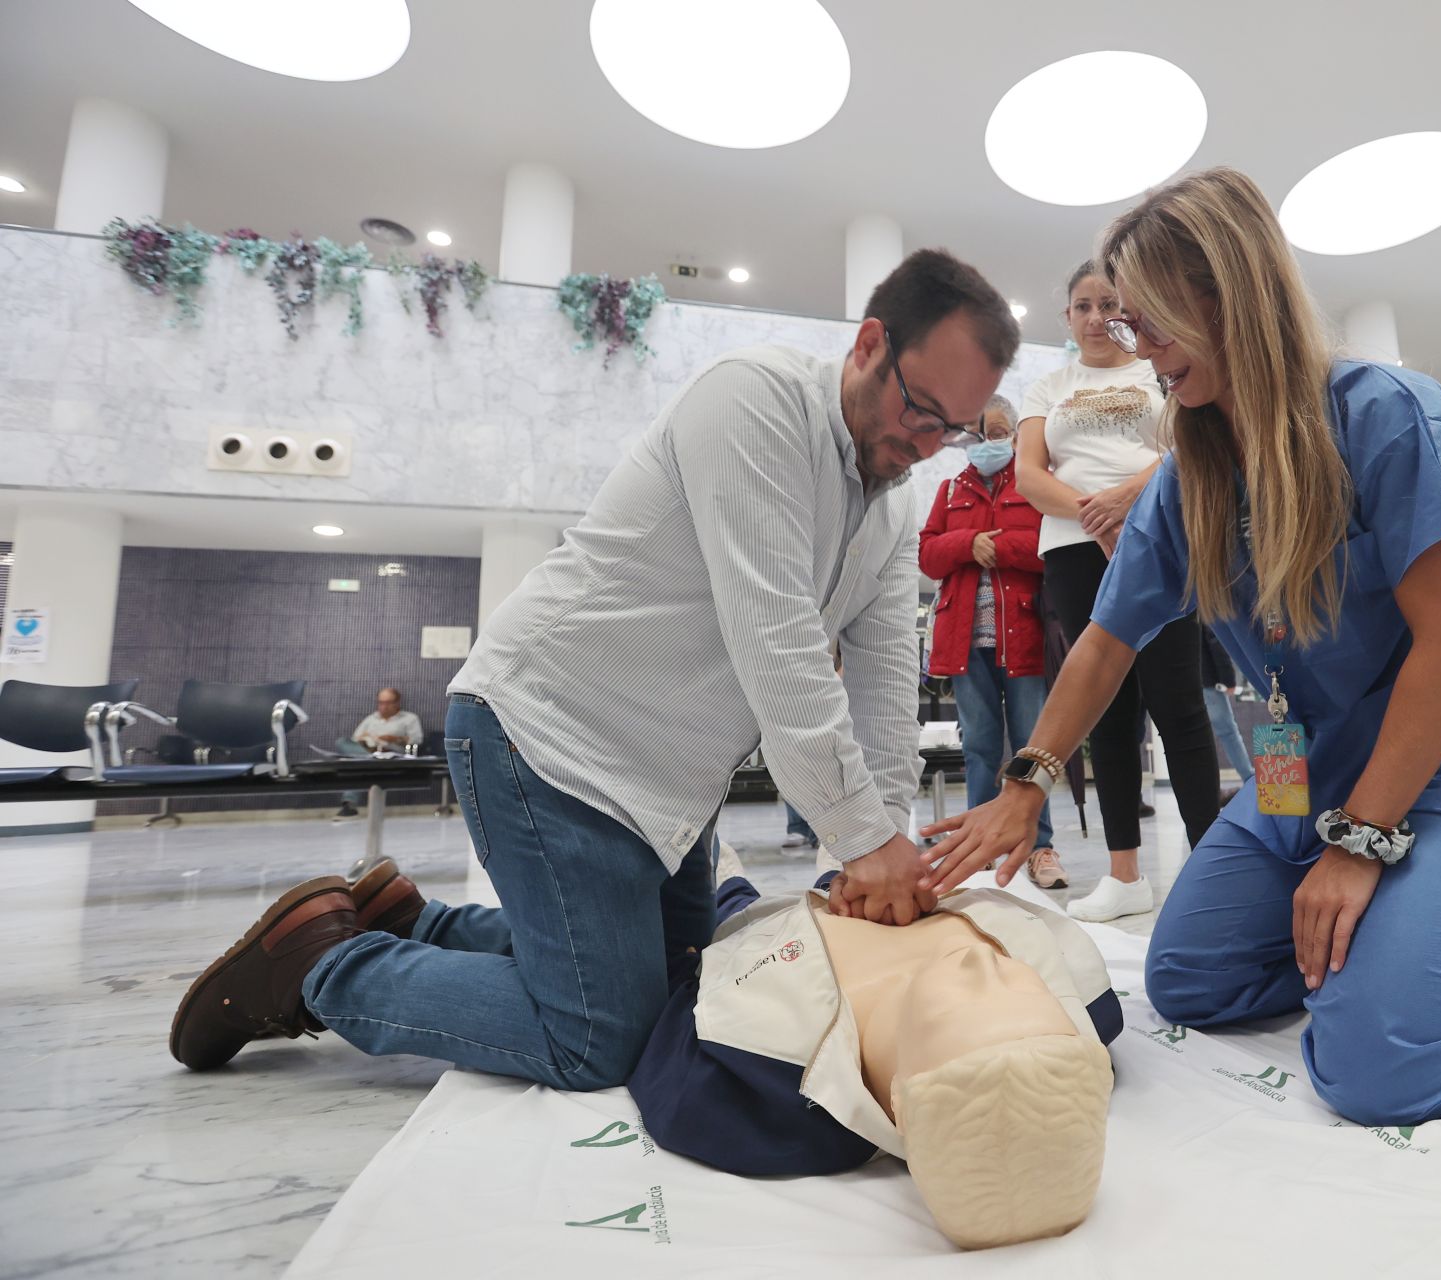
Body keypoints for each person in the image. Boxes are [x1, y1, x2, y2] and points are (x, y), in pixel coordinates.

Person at [169, 249, 1022, 1087]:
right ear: (869, 343)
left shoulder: (894, 504)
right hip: (549, 739)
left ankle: (416, 923)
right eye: (920, 409)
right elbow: (780, 642)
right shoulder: (755, 400)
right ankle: (322, 969)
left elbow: (880, 684)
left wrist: (881, 845)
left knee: (687, 988)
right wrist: (862, 840)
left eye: (952, 431)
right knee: (599, 1037)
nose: (927, 443)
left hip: (667, 787)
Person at [920, 168, 1441, 1130]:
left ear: (1228, 294)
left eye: (1151, 322)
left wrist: (1363, 845)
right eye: (1123, 324)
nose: (1138, 348)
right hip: (1297, 780)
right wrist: (1026, 783)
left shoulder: (1384, 416)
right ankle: (1408, 932)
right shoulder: (1191, 476)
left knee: (1381, 1072)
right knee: (1187, 981)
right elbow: (1104, 643)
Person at [628, 842, 1118, 1249]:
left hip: (773, 935)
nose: (983, 963)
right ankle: (834, 859)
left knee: (734, 905)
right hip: (894, 881)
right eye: (1022, 990)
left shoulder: (749, 1097)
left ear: (903, 1102)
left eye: (973, 1000)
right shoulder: (1085, 1000)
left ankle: (732, 879)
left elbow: (684, 1002)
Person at [1015, 260, 1220, 922]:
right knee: (1106, 709)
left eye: (1109, 304)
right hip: (1075, 549)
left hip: (1159, 534)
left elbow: (1189, 448)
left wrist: (1127, 501)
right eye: (1083, 306)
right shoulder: (1049, 385)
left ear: (1129, 312)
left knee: (1178, 705)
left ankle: (1213, 867)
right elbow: (1028, 473)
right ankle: (1125, 875)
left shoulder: (1154, 371)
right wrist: (1091, 513)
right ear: (1067, 318)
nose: (1097, 316)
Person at [919, 395, 1063, 889]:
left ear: (1017, 435)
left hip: (1024, 638)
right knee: (979, 746)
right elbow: (928, 554)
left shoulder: (1033, 485)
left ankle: (1039, 847)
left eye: (998, 431)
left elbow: (1050, 548)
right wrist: (967, 544)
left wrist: (997, 546)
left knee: (1031, 750)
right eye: (977, 433)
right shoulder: (949, 490)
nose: (987, 442)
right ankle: (976, 852)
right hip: (964, 642)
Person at [333, 687, 424, 818]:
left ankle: (349, 805)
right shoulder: (371, 719)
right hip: (368, 750)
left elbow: (417, 740)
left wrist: (396, 739)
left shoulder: (409, 718)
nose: (384, 707)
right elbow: (354, 739)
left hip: (391, 755)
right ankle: (368, 759)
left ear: (397, 702)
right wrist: (364, 738)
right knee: (342, 742)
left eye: (388, 703)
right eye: (381, 703)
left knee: (356, 765)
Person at [1200, 628, 1255, 798]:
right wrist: (1228, 678)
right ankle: (1249, 778)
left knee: (1198, 736)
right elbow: (1215, 641)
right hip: (1207, 681)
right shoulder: (1200, 607)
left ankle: (1206, 787)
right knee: (1228, 733)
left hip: (1189, 679)